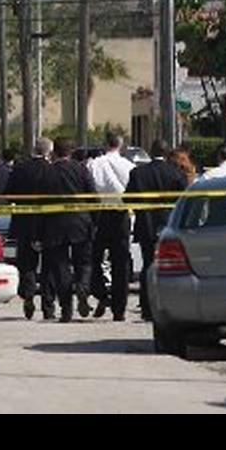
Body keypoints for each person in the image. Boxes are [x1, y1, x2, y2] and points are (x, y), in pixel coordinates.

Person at [125, 139, 189, 320]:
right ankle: (169, 306)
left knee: (148, 265)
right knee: (170, 267)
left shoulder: (138, 173)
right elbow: (185, 198)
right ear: (168, 153)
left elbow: (127, 199)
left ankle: (146, 308)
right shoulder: (175, 172)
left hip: (146, 224)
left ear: (151, 152)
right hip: (170, 225)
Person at [37, 138, 98, 323]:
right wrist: (93, 221)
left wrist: (39, 229)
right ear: (70, 152)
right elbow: (93, 197)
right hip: (80, 222)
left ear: (54, 152)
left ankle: (66, 308)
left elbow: (40, 201)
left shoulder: (47, 172)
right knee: (84, 262)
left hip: (54, 223)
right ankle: (82, 287)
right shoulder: (81, 169)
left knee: (60, 268)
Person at [86, 132, 136, 321]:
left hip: (99, 214)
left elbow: (90, 188)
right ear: (120, 145)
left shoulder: (94, 164)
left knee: (94, 258)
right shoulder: (129, 166)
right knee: (120, 263)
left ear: (105, 144)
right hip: (121, 214)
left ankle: (100, 292)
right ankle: (119, 308)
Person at [6, 137, 54, 319]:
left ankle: (28, 295)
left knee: (26, 264)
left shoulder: (19, 168)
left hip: (24, 222)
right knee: (48, 265)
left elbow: (9, 193)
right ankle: (48, 306)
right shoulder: (51, 170)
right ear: (49, 151)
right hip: (47, 223)